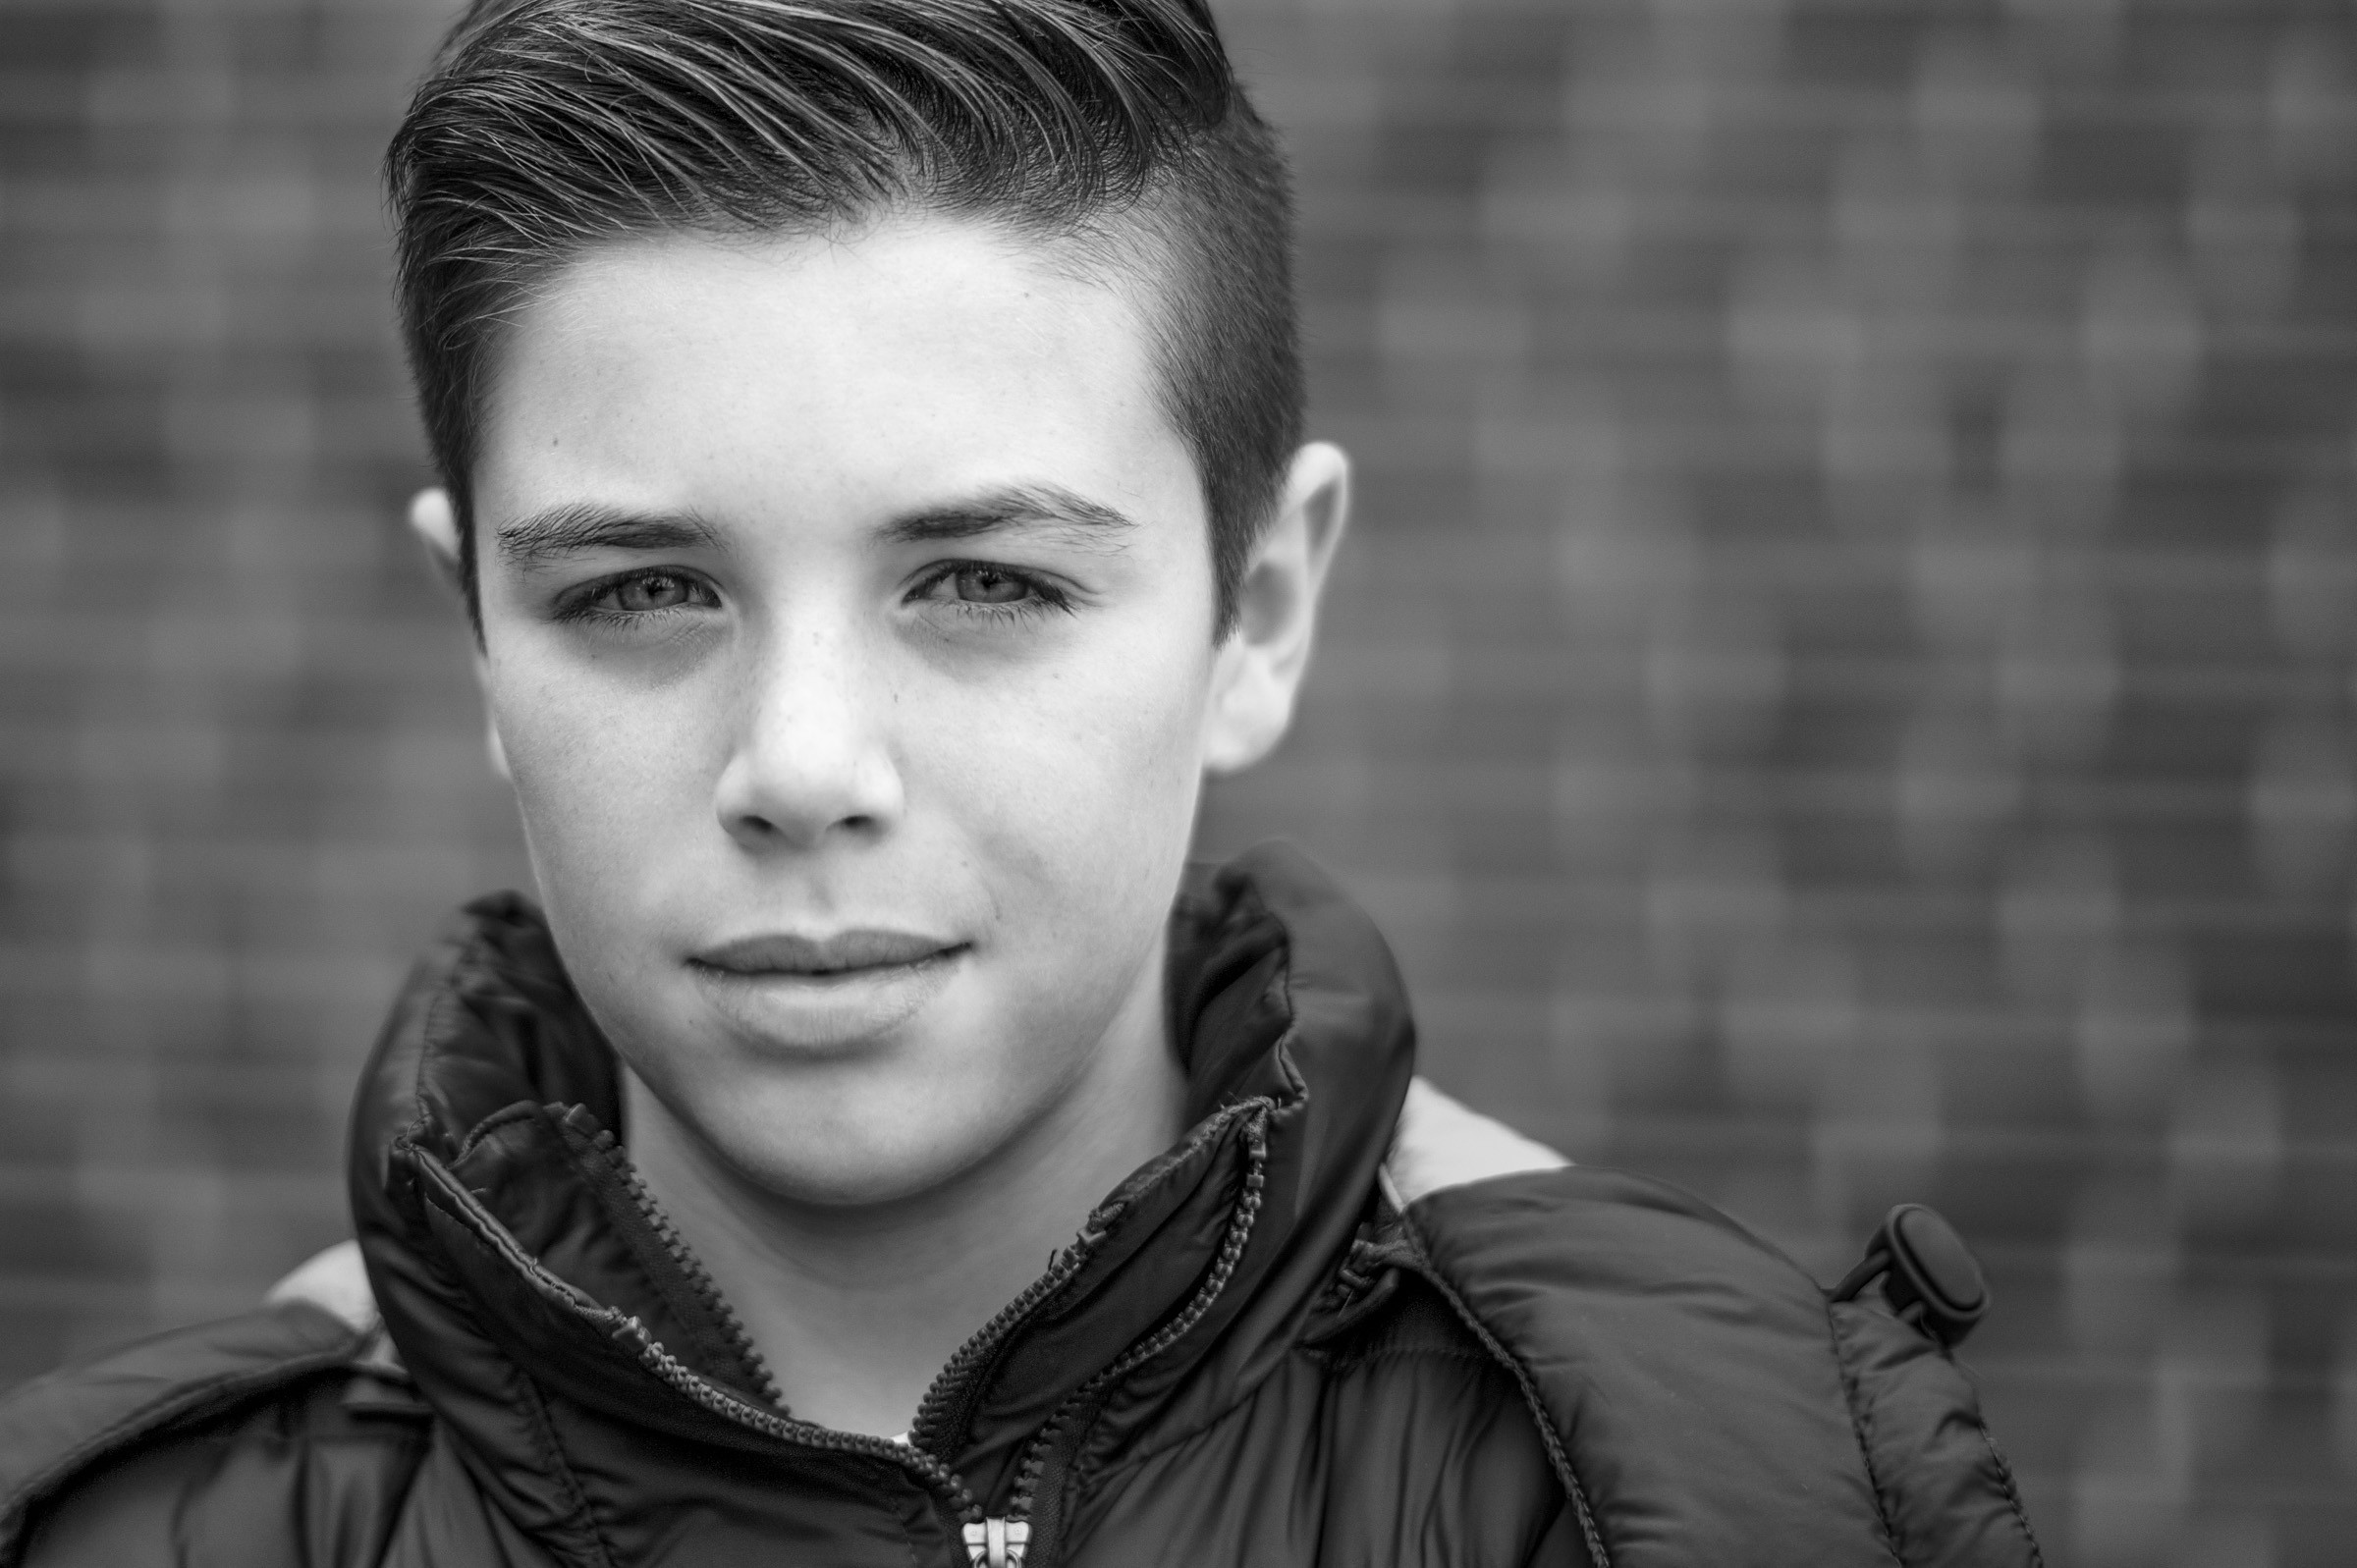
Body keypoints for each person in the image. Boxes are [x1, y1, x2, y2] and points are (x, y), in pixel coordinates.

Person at [0, 2, 2043, 1563]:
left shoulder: (1710, 1488)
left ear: (1259, 610)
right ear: (479, 641)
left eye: (984, 581)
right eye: (641, 590)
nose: (804, 766)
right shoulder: (150, 1531)